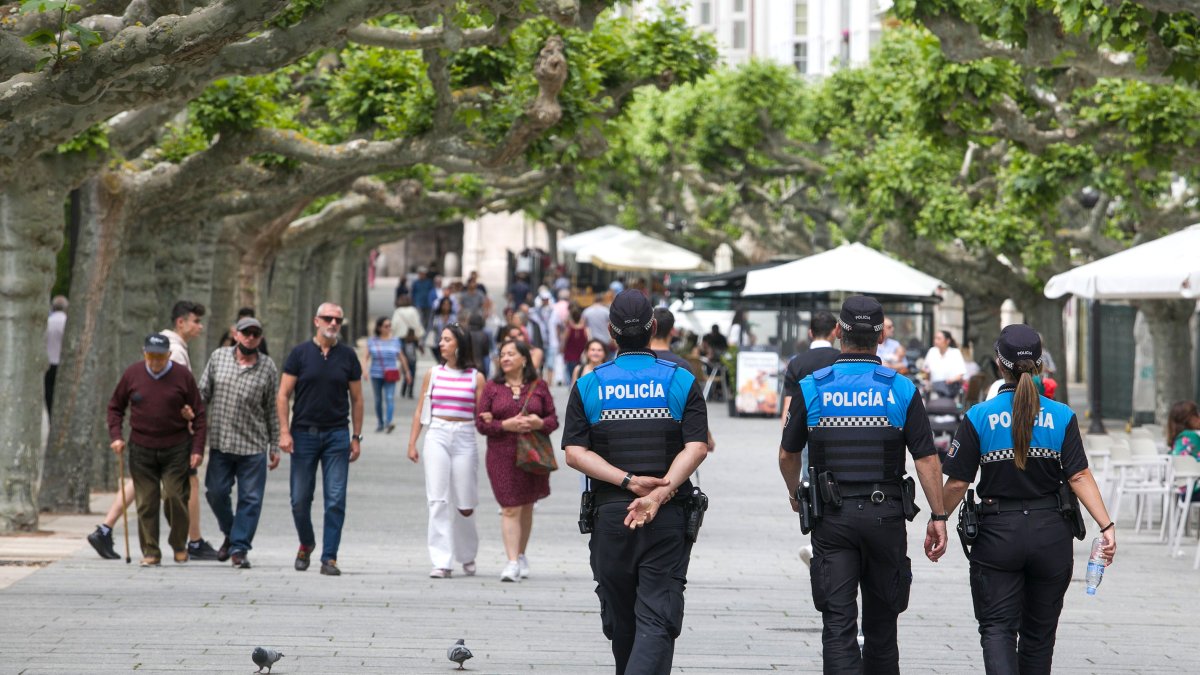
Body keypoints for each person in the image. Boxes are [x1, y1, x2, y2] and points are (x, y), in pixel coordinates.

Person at [932, 324, 1116, 674]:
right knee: (1039, 635)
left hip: (998, 534)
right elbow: (1078, 475)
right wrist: (1106, 525)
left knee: (998, 628)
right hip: (1051, 534)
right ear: (1040, 366)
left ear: (999, 365)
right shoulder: (1062, 415)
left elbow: (958, 482)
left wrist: (937, 517)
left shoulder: (979, 416)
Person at [779, 295, 947, 674]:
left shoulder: (813, 386)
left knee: (838, 625)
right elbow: (926, 460)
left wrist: (795, 493)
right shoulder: (901, 389)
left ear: (839, 332)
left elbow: (788, 454)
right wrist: (938, 515)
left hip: (832, 518)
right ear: (880, 338)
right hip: (886, 517)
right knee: (883, 626)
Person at [562, 289, 710, 675]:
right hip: (667, 515)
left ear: (611, 333)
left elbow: (575, 453)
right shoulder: (680, 381)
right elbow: (697, 447)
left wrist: (627, 481)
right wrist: (660, 492)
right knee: (657, 618)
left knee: (623, 622)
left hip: (611, 515)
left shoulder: (589, 385)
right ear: (655, 328)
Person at [277, 302, 365, 577]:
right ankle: (307, 541)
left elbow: (357, 398)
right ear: (316, 321)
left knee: (335, 498)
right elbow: (283, 394)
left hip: (337, 435)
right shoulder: (300, 354)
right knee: (299, 499)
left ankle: (330, 557)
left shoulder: (348, 356)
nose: (333, 323)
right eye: (328, 318)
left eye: (338, 320)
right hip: (303, 434)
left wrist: (356, 436)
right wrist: (284, 430)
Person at [106, 334, 207, 566]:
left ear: (169, 355)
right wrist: (116, 437)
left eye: (160, 357)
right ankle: (151, 551)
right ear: (144, 354)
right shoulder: (133, 374)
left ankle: (179, 543)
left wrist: (197, 449)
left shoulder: (182, 376)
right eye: (151, 356)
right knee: (146, 502)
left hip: (176, 447)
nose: (155, 361)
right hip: (142, 447)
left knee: (175, 497)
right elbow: (115, 407)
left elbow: (200, 414)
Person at [197, 317, 280, 569]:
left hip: (253, 444)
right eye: (246, 333)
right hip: (221, 442)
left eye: (255, 334)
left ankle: (239, 548)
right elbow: (202, 394)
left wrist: (275, 443)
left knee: (251, 499)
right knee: (216, 492)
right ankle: (232, 533)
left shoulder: (268, 367)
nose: (250, 337)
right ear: (236, 334)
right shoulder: (218, 357)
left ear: (260, 338)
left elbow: (271, 409)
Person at [407, 323, 486, 579]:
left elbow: (483, 415)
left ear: (459, 345)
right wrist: (412, 442)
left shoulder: (476, 377)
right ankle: (441, 560)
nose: (441, 344)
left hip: (464, 436)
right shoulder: (433, 373)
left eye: (447, 340)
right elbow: (421, 409)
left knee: (465, 503)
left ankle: (467, 554)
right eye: (441, 339)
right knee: (437, 499)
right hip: (437, 434)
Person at [476, 339, 558, 582]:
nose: (505, 358)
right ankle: (512, 561)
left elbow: (553, 419)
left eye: (511, 354)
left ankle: (521, 554)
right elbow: (481, 423)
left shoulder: (539, 386)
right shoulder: (492, 387)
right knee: (509, 507)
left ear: (524, 359)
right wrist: (504, 425)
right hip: (501, 454)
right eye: (502, 355)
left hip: (532, 454)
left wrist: (538, 422)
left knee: (526, 506)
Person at [161, 300, 221, 562]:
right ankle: (194, 539)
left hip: (162, 426)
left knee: (146, 477)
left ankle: (106, 527)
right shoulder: (174, 352)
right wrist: (187, 418)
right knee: (190, 481)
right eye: (196, 321)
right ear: (180, 322)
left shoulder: (169, 347)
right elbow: (172, 391)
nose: (200, 326)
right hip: (172, 428)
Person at [781, 310, 841, 422]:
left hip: (803, 429)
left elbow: (788, 406)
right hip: (834, 427)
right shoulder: (841, 359)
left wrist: (786, 437)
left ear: (810, 333)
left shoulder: (795, 363)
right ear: (834, 332)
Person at [366, 316, 411, 433]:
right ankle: (380, 422)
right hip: (376, 374)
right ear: (379, 328)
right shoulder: (372, 341)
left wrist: (407, 372)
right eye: (386, 326)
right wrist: (364, 370)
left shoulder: (395, 341)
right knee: (378, 399)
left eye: (390, 326)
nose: (389, 328)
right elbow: (365, 357)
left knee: (390, 397)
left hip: (391, 373)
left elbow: (402, 357)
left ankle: (388, 422)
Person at [1168, 400, 1200, 500]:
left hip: (1183, 489)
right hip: (1194, 489)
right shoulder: (1193, 437)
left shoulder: (1179, 439)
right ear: (1190, 419)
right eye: (1196, 413)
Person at [923, 330, 967, 398]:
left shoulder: (955, 353)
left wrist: (951, 380)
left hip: (951, 390)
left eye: (939, 339)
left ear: (947, 341)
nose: (936, 341)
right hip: (934, 389)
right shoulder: (932, 352)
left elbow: (961, 374)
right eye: (935, 338)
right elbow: (925, 370)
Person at [45, 295, 67, 416]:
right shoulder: (67, 322)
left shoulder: (48, 322)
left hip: (49, 361)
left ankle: (50, 415)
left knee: (49, 391)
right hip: (62, 363)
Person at [560, 302, 590, 381]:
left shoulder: (568, 329)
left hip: (570, 355)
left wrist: (562, 350)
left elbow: (564, 342)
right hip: (581, 355)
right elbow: (588, 341)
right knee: (580, 375)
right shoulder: (585, 329)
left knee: (571, 375)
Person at [581, 291, 613, 357]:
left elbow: (582, 326)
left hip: (592, 340)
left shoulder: (587, 311)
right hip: (605, 340)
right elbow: (612, 325)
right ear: (602, 300)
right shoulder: (606, 311)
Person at [400, 328, 422, 399]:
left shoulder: (414, 341)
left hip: (412, 361)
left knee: (411, 377)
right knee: (408, 377)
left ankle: (409, 392)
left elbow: (420, 347)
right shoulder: (404, 341)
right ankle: (404, 391)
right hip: (406, 362)